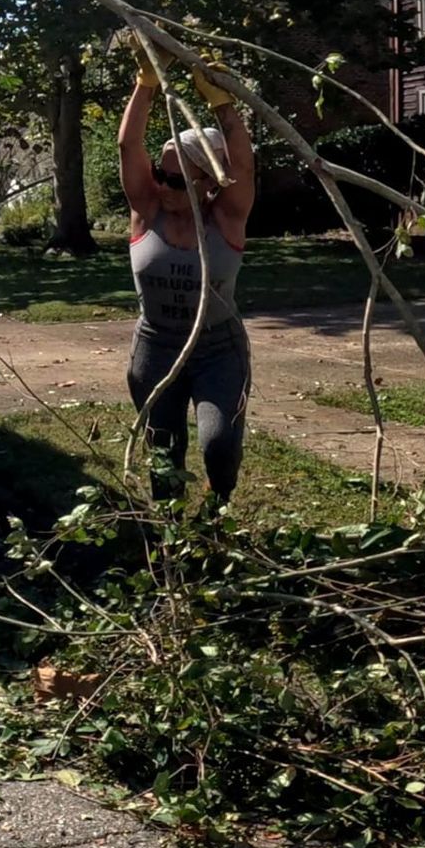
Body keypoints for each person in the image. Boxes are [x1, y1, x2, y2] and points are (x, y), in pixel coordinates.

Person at [118, 44, 256, 507]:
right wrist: (145, 84)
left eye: (177, 181)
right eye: (162, 174)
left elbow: (243, 164)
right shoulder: (146, 211)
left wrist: (223, 102)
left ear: (208, 185)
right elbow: (128, 145)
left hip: (219, 350)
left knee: (218, 445)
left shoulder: (227, 218)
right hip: (155, 346)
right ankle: (172, 536)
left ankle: (219, 512)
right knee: (163, 450)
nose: (162, 185)